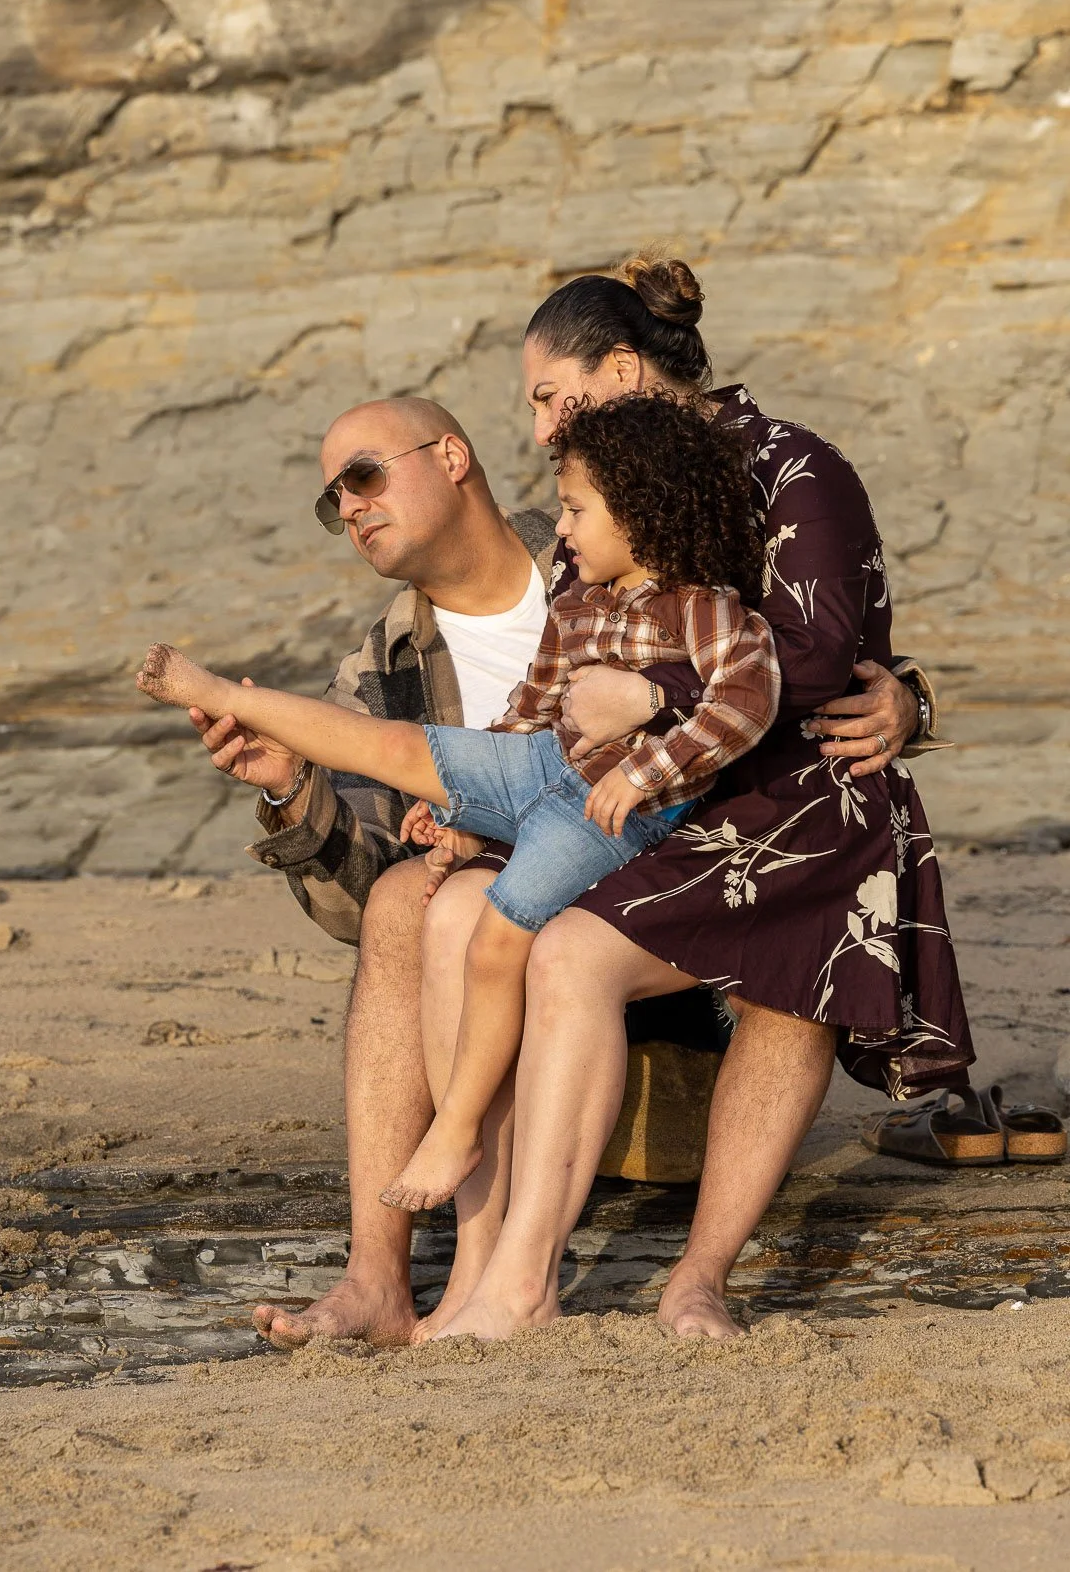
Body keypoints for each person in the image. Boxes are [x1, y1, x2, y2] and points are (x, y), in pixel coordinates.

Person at [384, 252, 974, 1343]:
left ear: (624, 368)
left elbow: (816, 650)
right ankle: (487, 1270)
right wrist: (486, 804)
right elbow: (558, 684)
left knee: (633, 956)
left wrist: (653, 696)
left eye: (558, 398)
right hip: (654, 804)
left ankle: (679, 1277)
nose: (549, 429)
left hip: (797, 800)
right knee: (459, 909)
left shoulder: (798, 470)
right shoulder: (598, 491)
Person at [137, 391, 782, 1213]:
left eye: (364, 475)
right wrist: (295, 789)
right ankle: (378, 1274)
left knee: (458, 896)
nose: (350, 506)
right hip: (509, 942)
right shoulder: (374, 676)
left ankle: (492, 1158)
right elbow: (355, 911)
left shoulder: (599, 534)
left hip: (678, 932)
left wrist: (904, 701)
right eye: (333, 499)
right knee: (410, 894)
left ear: (451, 457)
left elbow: (766, 661)